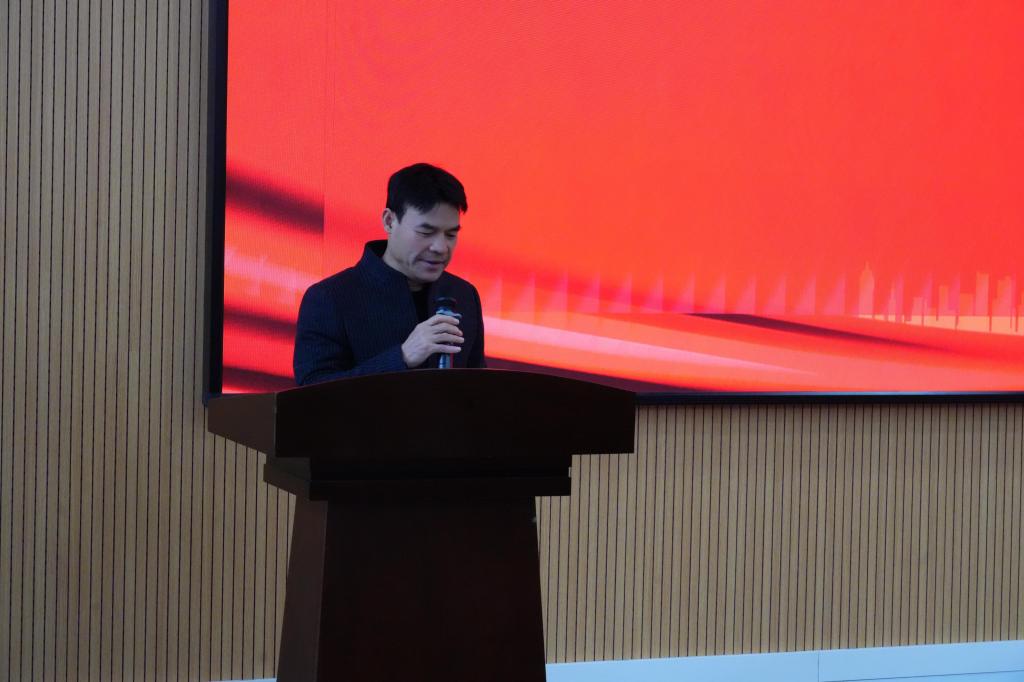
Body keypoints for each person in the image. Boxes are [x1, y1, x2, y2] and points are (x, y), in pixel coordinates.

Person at [293, 163, 486, 386]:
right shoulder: (330, 297)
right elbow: (311, 391)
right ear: (389, 221)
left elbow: (478, 388)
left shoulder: (464, 294)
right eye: (426, 232)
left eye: (451, 235)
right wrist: (402, 357)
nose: (440, 247)